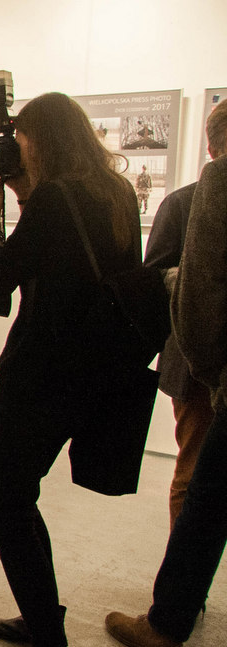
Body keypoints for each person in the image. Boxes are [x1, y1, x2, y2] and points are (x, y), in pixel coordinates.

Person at [0, 92, 141, 647]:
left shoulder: (52, 202)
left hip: (40, 377)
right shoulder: (115, 194)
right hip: (93, 377)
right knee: (25, 501)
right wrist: (24, 195)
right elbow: (70, 258)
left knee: (8, 508)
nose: (18, 144)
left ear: (41, 138)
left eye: (23, 135)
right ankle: (40, 614)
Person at [104, 141, 227, 647]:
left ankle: (170, 619)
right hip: (209, 366)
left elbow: (177, 289)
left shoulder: (205, 189)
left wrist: (203, 363)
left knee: (203, 488)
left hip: (213, 365)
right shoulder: (182, 199)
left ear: (209, 142)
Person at [141, 102, 227, 529]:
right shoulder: (182, 203)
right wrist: (194, 282)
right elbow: (154, 275)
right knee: (193, 474)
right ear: (213, 149)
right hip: (197, 360)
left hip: (200, 358)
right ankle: (183, 588)